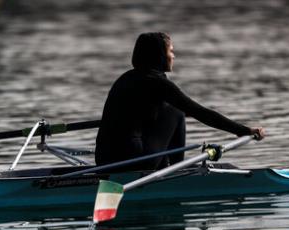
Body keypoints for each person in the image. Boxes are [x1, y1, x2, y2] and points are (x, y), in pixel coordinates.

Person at [95, 32, 265, 170]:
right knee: (176, 111)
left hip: (104, 160)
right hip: (131, 163)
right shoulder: (157, 83)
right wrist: (243, 130)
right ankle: (176, 168)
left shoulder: (125, 78)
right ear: (160, 55)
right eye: (170, 51)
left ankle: (164, 165)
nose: (174, 56)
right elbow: (200, 113)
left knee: (166, 111)